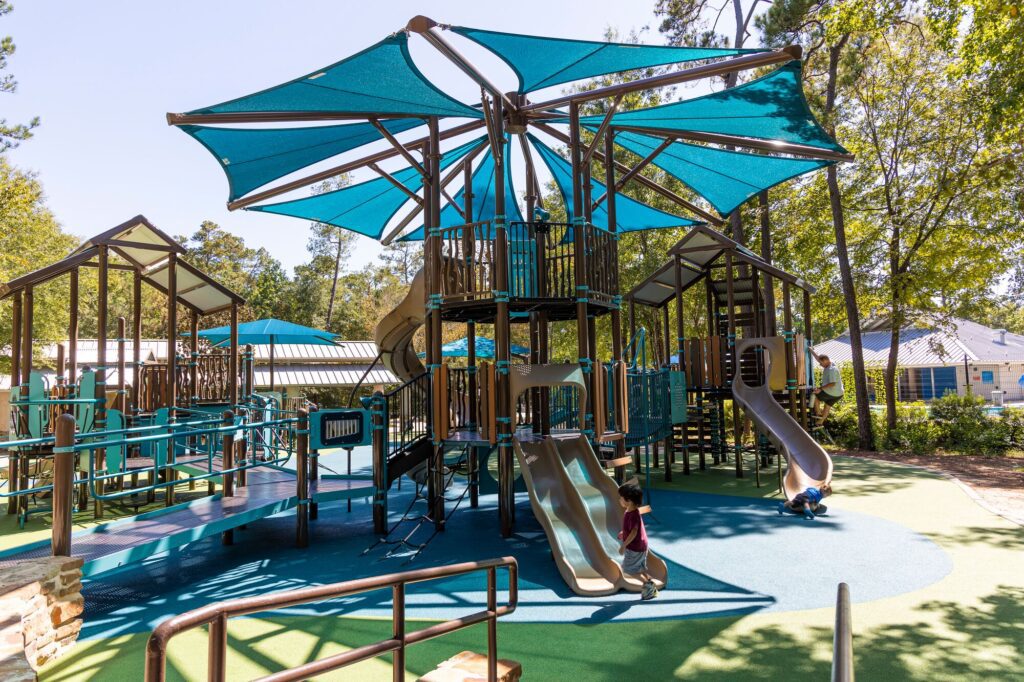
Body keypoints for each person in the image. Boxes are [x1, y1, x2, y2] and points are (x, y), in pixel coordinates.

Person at [617, 482, 657, 600]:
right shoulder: (631, 511)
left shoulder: (632, 514)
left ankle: (648, 586)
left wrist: (624, 545)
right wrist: (624, 533)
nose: (619, 500)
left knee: (630, 570)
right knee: (639, 568)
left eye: (621, 498)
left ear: (628, 500)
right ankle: (650, 583)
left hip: (634, 547)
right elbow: (633, 529)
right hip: (641, 545)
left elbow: (634, 532)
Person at [809, 349, 844, 424]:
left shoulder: (832, 370)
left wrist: (820, 389)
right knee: (827, 407)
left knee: (814, 395)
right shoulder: (830, 362)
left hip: (832, 391)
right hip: (839, 394)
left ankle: (818, 413)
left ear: (825, 361)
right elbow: (818, 358)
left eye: (821, 363)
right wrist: (810, 349)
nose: (820, 365)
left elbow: (832, 384)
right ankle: (820, 421)